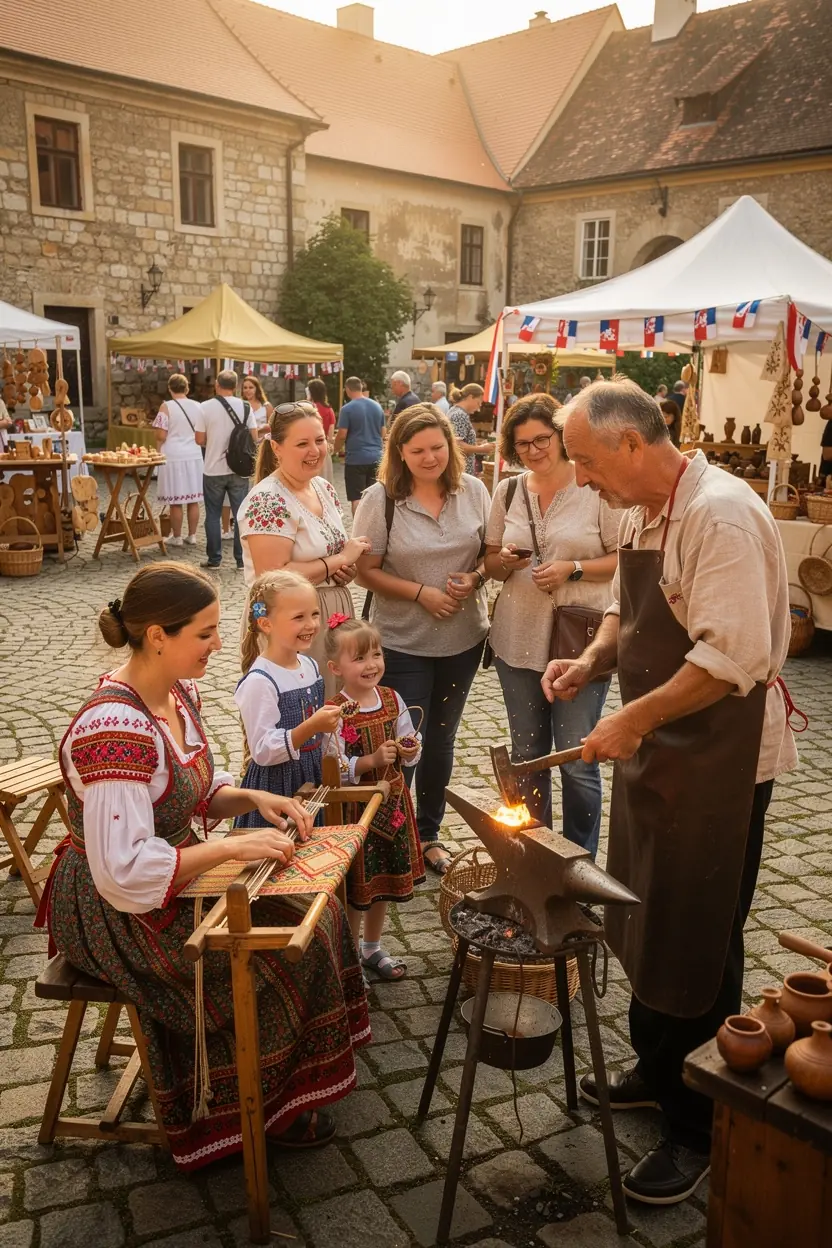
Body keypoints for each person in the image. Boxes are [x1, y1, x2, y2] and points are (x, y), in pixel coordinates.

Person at [543, 379, 797, 1205]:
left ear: (630, 444)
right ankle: (658, 1071)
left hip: (722, 762)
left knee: (700, 931)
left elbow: (732, 658)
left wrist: (631, 722)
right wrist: (592, 662)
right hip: (661, 752)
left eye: (584, 460)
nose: (580, 478)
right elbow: (627, 609)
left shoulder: (719, 515)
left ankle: (699, 1126)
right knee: (646, 912)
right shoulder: (637, 510)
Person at [35, 562, 370, 1167]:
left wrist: (253, 798)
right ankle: (250, 1105)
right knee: (266, 958)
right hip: (117, 909)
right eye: (206, 633)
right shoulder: (114, 729)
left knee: (318, 920)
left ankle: (285, 1087)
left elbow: (193, 787)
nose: (220, 645)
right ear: (158, 635)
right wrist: (233, 847)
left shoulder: (176, 692)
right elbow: (124, 871)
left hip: (166, 873)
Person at [354, 405, 491, 876]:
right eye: (418, 451)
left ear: (450, 447)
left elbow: (490, 556)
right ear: (400, 453)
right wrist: (421, 594)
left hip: (464, 638)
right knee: (404, 741)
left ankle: (428, 834)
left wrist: (474, 578)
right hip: (402, 640)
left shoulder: (473, 490)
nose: (430, 458)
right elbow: (364, 570)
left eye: (437, 447)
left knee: (441, 740)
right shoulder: (381, 499)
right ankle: (393, 834)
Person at [483, 393, 620, 856]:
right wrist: (501, 560)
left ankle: (580, 860)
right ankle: (536, 854)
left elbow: (624, 558)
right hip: (517, 637)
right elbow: (491, 560)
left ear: (561, 437)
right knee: (527, 757)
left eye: (543, 438)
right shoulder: (508, 490)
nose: (535, 450)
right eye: (523, 444)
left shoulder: (595, 488)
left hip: (579, 642)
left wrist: (574, 568)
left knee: (578, 760)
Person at [236, 401, 371, 696]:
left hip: (330, 615)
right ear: (276, 449)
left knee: (334, 711)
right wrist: (338, 560)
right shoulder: (268, 499)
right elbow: (271, 579)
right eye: (302, 443)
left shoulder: (323, 487)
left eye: (320, 440)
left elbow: (332, 553)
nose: (315, 451)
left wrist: (343, 569)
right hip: (289, 620)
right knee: (298, 713)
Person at [324, 615, 424, 982]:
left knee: (382, 883)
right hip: (356, 811)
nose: (371, 665)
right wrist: (369, 761)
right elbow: (332, 762)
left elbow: (410, 742)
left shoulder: (391, 698)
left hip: (392, 806)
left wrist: (410, 749)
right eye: (360, 658)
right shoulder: (335, 711)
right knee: (356, 888)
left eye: (376, 655)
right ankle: (349, 955)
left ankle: (371, 946)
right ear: (336, 668)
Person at [234, 571, 341, 827]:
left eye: (314, 614)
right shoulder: (260, 681)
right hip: (279, 787)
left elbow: (320, 732)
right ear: (266, 623)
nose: (312, 624)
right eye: (298, 617)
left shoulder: (309, 665)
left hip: (313, 778)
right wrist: (312, 726)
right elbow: (262, 750)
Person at [194, 370, 258, 571]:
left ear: (216, 384)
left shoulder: (204, 407)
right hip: (239, 468)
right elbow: (254, 437)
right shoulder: (246, 407)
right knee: (241, 515)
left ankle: (214, 559)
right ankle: (241, 560)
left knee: (213, 515)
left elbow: (199, 440)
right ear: (237, 385)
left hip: (213, 468)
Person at [152, 374, 203, 547]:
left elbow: (160, 434)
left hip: (173, 455)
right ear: (187, 388)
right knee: (193, 498)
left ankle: (177, 536)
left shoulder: (166, 407)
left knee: (176, 499)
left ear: (169, 388)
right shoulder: (199, 407)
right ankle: (193, 535)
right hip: (194, 454)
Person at [334, 376, 386, 514]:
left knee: (356, 497)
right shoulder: (377, 406)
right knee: (374, 497)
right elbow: (383, 432)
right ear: (361, 388)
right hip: (376, 457)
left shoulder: (347, 409)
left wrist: (335, 449)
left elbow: (342, 434)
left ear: (347, 389)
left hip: (356, 459)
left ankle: (358, 529)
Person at [446, 383, 494, 474]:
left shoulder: (455, 411)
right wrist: (481, 449)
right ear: (470, 397)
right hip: (461, 471)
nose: (479, 408)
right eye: (478, 403)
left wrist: (476, 444)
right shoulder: (459, 415)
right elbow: (457, 445)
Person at [307, 377, 336, 483]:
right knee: (325, 477)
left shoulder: (309, 408)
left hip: (310, 446)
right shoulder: (329, 409)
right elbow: (331, 431)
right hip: (323, 445)